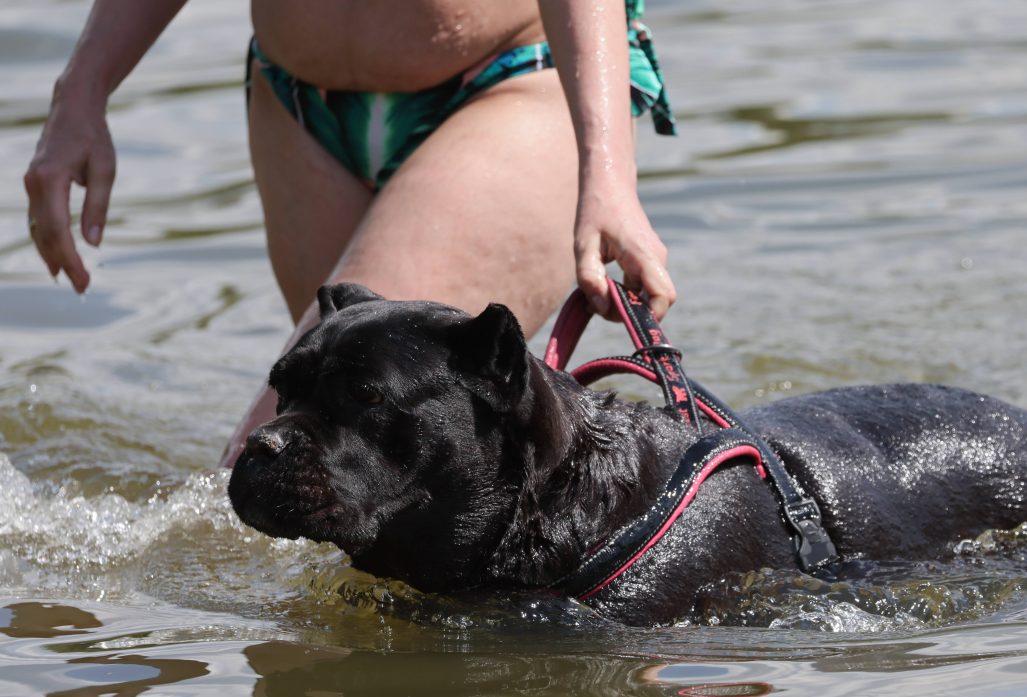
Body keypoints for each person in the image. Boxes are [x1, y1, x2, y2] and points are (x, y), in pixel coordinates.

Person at [24, 0, 678, 467]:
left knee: (270, 472)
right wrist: (80, 91)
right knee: (355, 453)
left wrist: (606, 169)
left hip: (511, 83)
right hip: (295, 105)